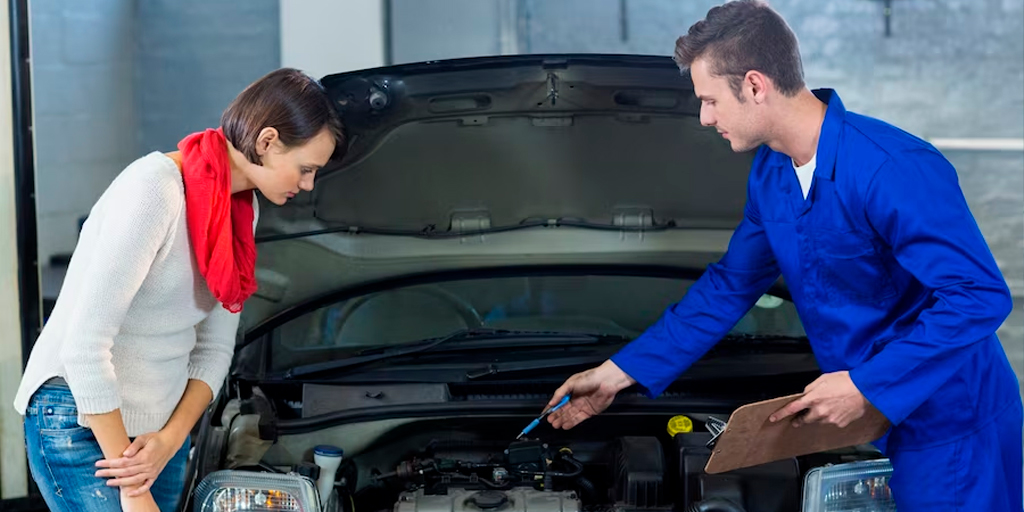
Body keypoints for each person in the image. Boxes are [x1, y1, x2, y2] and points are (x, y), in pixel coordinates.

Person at [544, 2, 1022, 510]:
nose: (704, 117)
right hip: (879, 420)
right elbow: (729, 286)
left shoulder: (891, 169)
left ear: (754, 85)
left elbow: (980, 297)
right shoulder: (772, 175)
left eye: (709, 100)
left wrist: (865, 383)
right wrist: (617, 374)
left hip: (952, 425)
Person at [13, 68, 346, 512]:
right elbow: (84, 347)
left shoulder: (240, 215)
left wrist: (169, 440)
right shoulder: (155, 190)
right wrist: (133, 490)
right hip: (79, 417)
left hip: (156, 431)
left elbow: (213, 351)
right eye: (306, 169)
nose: (307, 185)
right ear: (266, 142)